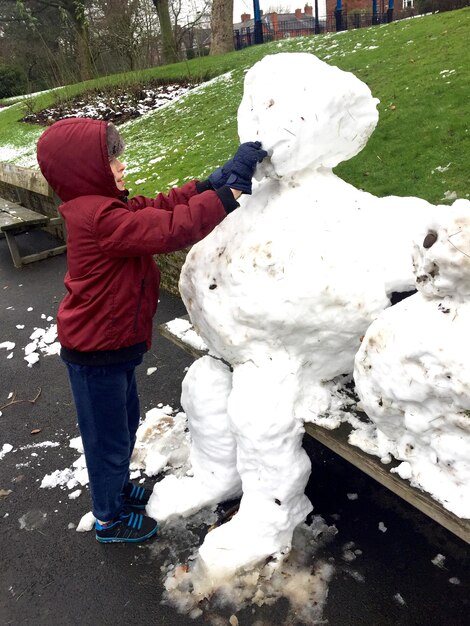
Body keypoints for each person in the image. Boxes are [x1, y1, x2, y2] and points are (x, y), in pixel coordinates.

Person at [36, 117, 267, 543]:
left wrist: (209, 185)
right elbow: (169, 229)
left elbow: (161, 207)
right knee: (106, 442)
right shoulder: (98, 218)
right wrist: (230, 191)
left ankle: (119, 490)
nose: (122, 166)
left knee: (121, 428)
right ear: (83, 170)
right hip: (95, 353)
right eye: (111, 161)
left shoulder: (107, 205)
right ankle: (108, 519)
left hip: (114, 346)